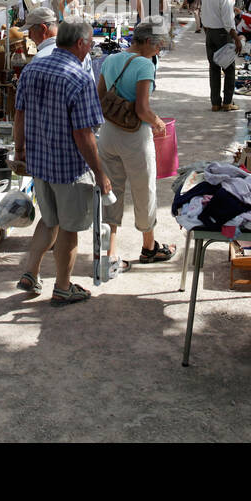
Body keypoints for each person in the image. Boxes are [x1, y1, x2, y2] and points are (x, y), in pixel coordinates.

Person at [13, 17, 112, 305]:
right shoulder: (79, 78)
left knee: (49, 219)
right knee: (68, 229)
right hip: (69, 168)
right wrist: (101, 174)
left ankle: (30, 273)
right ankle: (63, 286)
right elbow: (84, 135)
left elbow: (19, 114)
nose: (91, 46)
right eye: (90, 41)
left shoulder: (32, 69)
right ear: (80, 43)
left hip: (40, 163)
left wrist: (20, 151)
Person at [97, 20, 176, 275]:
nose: (159, 49)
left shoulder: (110, 61)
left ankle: (109, 255)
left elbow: (99, 97)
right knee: (144, 191)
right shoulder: (144, 64)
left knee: (111, 192)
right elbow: (142, 110)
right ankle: (149, 247)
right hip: (135, 138)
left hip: (108, 134)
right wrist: (157, 122)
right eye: (158, 44)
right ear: (146, 42)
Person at [200, 0, 242, 111]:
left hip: (210, 32)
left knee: (214, 68)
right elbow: (228, 19)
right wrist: (235, 37)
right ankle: (227, 102)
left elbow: (202, 13)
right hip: (223, 34)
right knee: (229, 68)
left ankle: (215, 103)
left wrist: (207, 31)